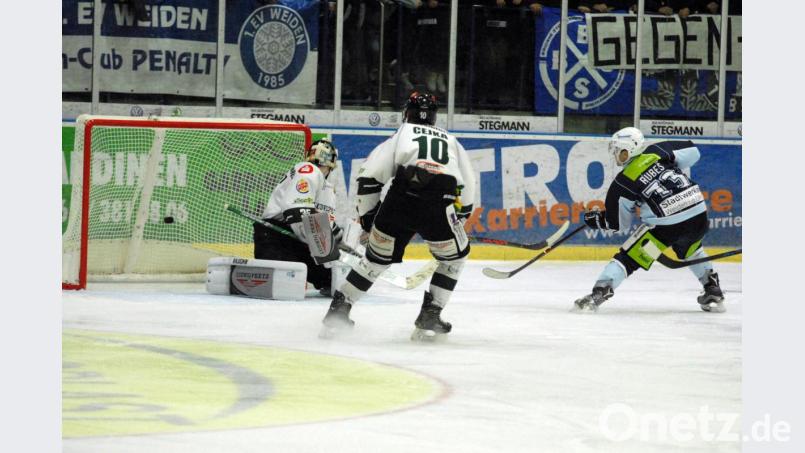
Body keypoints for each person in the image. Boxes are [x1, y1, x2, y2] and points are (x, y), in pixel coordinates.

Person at [321, 91, 476, 341]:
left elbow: (369, 178)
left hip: (399, 203)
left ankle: (338, 311)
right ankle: (430, 315)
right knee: (455, 259)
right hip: (439, 205)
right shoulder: (451, 140)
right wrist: (459, 220)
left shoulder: (401, 133)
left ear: (407, 113)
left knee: (375, 260)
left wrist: (370, 219)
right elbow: (467, 190)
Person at [574, 127, 725, 313]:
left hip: (664, 232)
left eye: (617, 151)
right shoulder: (658, 152)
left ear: (627, 150)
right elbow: (693, 152)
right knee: (692, 249)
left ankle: (599, 293)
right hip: (699, 216)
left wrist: (596, 220)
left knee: (629, 257)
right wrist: (668, 162)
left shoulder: (623, 182)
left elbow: (618, 224)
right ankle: (713, 290)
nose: (615, 156)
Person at [253, 138, 341, 295]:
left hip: (299, 240)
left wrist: (335, 240)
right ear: (331, 163)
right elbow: (297, 213)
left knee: (331, 280)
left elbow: (321, 224)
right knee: (283, 284)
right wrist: (328, 244)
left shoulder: (325, 187)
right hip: (275, 235)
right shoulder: (307, 170)